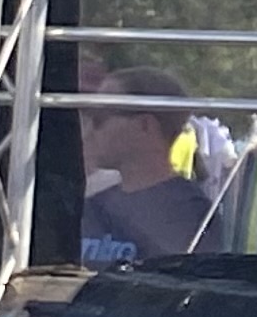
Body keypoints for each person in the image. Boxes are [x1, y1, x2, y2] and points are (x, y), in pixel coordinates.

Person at [76, 67, 217, 265]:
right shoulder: (92, 208)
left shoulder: (191, 214)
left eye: (100, 118)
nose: (89, 130)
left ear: (144, 125)